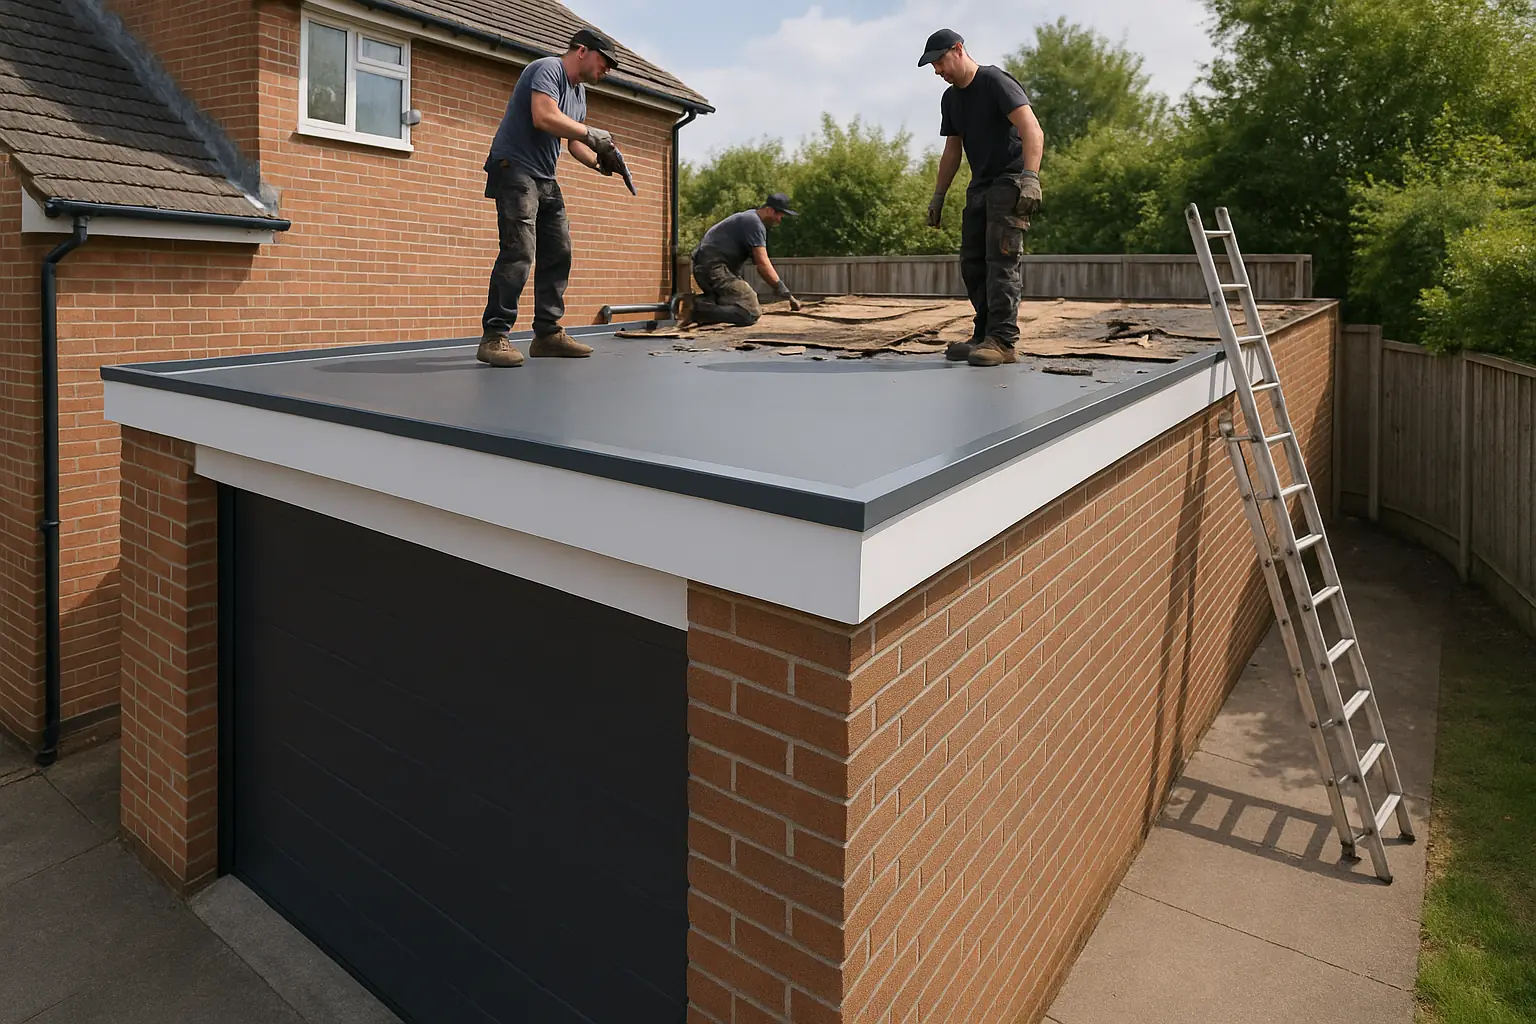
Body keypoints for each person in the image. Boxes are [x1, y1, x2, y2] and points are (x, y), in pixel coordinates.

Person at [478, 28, 632, 368]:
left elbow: (573, 140)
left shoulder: (578, 94)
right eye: (605, 62)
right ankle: (494, 336)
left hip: (544, 177)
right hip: (514, 168)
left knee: (559, 250)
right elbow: (544, 116)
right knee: (519, 250)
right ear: (582, 51)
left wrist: (601, 163)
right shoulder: (548, 68)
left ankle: (547, 335)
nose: (607, 69)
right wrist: (592, 134)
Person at [920, 29, 1045, 367]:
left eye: (939, 61)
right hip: (980, 185)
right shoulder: (951, 99)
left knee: (1001, 262)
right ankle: (983, 333)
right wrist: (938, 195)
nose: (937, 71)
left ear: (958, 50)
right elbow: (952, 151)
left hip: (1009, 180)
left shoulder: (994, 82)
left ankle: (1003, 340)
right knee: (972, 263)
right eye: (932, 66)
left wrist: (1031, 178)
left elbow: (1032, 128)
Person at [680, 194, 802, 327]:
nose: (779, 220)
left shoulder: (748, 218)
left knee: (737, 301)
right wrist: (786, 294)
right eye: (780, 215)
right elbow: (763, 264)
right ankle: (699, 311)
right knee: (751, 310)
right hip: (713, 267)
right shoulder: (753, 222)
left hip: (706, 267)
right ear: (770, 210)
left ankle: (708, 302)